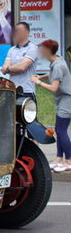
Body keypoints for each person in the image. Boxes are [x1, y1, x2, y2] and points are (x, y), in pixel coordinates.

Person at [30, 40, 71, 172]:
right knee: (59, 130)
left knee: (61, 130)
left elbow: (54, 88)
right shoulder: (57, 61)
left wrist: (38, 82)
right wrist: (42, 77)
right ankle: (59, 159)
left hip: (66, 99)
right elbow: (54, 75)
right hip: (62, 100)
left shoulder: (58, 65)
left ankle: (69, 160)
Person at [1, 22, 38, 101]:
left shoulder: (32, 48)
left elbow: (22, 67)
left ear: (27, 32)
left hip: (27, 91)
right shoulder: (12, 49)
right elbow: (4, 70)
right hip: (12, 89)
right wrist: (10, 69)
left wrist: (8, 69)